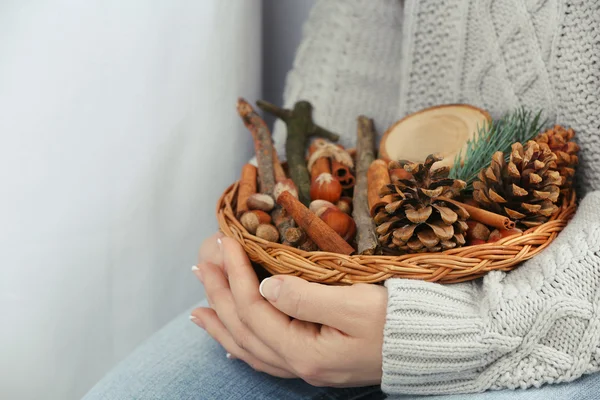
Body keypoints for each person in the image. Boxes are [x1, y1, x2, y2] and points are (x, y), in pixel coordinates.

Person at [85, 0, 600, 398]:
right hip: (355, 279)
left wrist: (465, 332)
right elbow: (356, 42)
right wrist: (289, 269)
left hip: (554, 303)